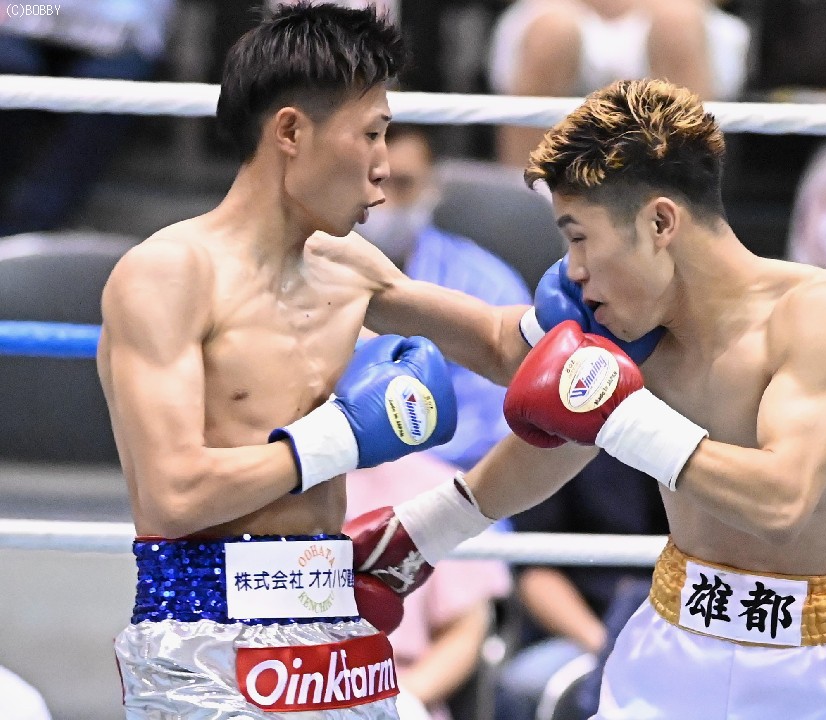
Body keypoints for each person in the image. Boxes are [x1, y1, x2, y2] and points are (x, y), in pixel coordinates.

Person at [316, 77, 826, 718]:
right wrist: (380, 296)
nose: (572, 269)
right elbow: (508, 352)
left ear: (659, 222)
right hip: (678, 642)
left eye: (579, 237)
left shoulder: (818, 314)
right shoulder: (633, 322)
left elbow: (781, 500)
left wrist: (615, 413)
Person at [96, 4, 462, 717]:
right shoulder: (169, 272)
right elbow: (174, 496)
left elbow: (510, 346)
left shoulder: (351, 265)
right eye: (372, 133)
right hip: (205, 633)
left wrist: (621, 289)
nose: (385, 166)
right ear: (291, 132)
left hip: (338, 631)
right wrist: (341, 437)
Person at [360, 123, 532, 469]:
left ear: (432, 187)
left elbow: (500, 419)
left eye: (401, 184)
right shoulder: (294, 276)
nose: (383, 201)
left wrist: (400, 465)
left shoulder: (488, 285)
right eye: (371, 181)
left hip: (451, 479)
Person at [493, 450, 668, 720]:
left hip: (677, 629)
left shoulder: (699, 441)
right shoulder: (558, 441)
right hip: (580, 633)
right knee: (524, 686)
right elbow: (535, 573)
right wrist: (604, 646)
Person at [346, 453, 511, 720]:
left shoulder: (434, 486)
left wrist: (404, 700)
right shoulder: (274, 485)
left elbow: (465, 630)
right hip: (281, 684)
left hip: (394, 689)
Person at [487, 0, 749, 166]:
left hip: (668, 9)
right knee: (551, 32)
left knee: (676, 24)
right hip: (566, 8)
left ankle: (685, 205)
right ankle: (527, 210)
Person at [0, 0, 176, 236]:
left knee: (109, 88)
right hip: (23, 23)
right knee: (9, 66)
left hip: (120, 35)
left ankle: (26, 227)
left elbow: (137, 17)